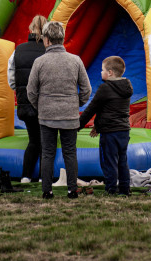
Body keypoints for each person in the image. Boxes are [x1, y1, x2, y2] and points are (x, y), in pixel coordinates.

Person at [26, 21, 91, 200]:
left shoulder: (39, 62)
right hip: (69, 115)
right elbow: (86, 89)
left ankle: (47, 191)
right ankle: (72, 190)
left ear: (46, 40)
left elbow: (31, 91)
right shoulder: (75, 60)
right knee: (70, 152)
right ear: (62, 39)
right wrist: (76, 103)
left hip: (47, 115)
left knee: (47, 152)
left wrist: (41, 106)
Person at [78, 56, 134, 196]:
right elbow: (108, 109)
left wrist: (77, 126)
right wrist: (98, 125)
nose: (100, 73)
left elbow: (92, 109)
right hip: (123, 130)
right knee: (122, 161)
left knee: (109, 162)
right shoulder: (127, 86)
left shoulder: (105, 88)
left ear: (110, 72)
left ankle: (111, 189)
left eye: (102, 70)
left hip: (110, 132)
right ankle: (125, 189)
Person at [7, 15, 49, 184]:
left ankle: (26, 175)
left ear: (30, 29)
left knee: (33, 140)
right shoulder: (49, 50)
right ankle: (42, 177)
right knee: (46, 142)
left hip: (26, 103)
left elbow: (11, 79)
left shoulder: (18, 50)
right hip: (46, 104)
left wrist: (19, 91)